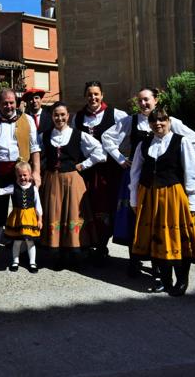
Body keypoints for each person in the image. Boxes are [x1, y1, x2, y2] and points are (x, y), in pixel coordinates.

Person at [102, 86, 195, 281]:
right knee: (136, 221)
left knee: (164, 225)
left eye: (147, 99)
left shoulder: (171, 122)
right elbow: (107, 137)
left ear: (156, 100)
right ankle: (136, 261)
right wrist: (121, 159)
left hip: (167, 182)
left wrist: (176, 162)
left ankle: (165, 268)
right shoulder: (131, 121)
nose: (143, 103)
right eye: (140, 100)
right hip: (137, 178)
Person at [129, 107, 195, 296]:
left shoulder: (182, 142)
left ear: (169, 121)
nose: (158, 124)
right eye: (154, 121)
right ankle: (165, 279)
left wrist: (193, 202)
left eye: (162, 120)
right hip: (149, 196)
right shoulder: (143, 144)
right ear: (150, 124)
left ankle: (181, 280)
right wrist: (133, 199)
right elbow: (135, 172)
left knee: (178, 238)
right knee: (157, 239)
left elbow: (192, 172)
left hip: (174, 196)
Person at [0, 89, 41, 270]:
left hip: (22, 173)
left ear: (17, 102)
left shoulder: (27, 120)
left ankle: (24, 254)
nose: (9, 106)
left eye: (12, 102)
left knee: (24, 212)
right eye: (5, 103)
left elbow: (35, 148)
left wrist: (36, 172)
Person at [40, 101, 106, 269]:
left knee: (72, 215)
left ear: (68, 116)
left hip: (72, 181)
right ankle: (58, 253)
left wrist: (83, 165)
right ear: (52, 116)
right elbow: (35, 153)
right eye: (56, 115)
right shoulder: (44, 136)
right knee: (55, 215)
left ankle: (75, 253)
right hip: (52, 181)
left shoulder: (78, 135)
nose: (59, 118)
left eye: (62, 114)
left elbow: (100, 152)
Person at [71, 80, 128, 264]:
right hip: (86, 171)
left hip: (109, 172)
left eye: (96, 94)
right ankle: (91, 244)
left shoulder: (117, 115)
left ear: (102, 95)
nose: (93, 97)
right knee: (87, 207)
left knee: (108, 207)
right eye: (89, 94)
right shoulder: (77, 118)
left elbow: (128, 138)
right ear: (85, 96)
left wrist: (122, 158)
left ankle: (103, 244)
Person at [0, 161, 42, 273]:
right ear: (16, 175)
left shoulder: (34, 189)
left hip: (30, 218)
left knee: (30, 241)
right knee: (17, 241)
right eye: (20, 175)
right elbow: (1, 191)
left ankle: (32, 262)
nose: (22, 177)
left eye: (25, 175)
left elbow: (38, 205)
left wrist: (40, 219)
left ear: (30, 174)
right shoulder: (13, 187)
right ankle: (15, 261)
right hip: (17, 218)